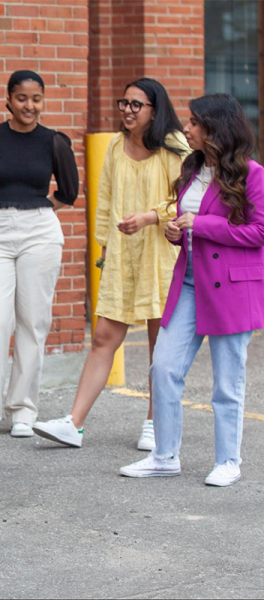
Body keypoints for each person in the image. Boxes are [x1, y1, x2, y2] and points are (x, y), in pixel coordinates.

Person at [33, 78, 189, 450]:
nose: (127, 111)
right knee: (103, 337)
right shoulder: (117, 145)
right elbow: (104, 199)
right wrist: (104, 247)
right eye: (124, 103)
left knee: (159, 346)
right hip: (121, 255)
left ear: (155, 110)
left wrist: (150, 217)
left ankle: (155, 421)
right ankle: (73, 424)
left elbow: (186, 200)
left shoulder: (175, 146)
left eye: (137, 105)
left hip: (162, 255)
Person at [120, 94, 264, 486]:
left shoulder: (251, 173)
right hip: (188, 282)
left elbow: (258, 231)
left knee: (227, 382)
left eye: (195, 123)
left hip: (231, 288)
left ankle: (228, 460)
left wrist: (200, 225)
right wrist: (176, 232)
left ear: (218, 128)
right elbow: (187, 222)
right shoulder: (192, 167)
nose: (187, 128)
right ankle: (164, 456)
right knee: (163, 367)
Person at [0, 70, 79, 439]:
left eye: (36, 98)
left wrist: (35, 211)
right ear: (9, 100)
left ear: (43, 101)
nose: (29, 105)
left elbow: (69, 192)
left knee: (33, 322)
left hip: (40, 232)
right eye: (22, 98)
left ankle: (23, 410)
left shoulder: (54, 141)